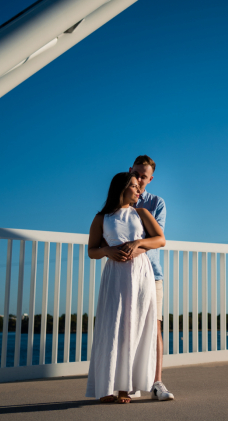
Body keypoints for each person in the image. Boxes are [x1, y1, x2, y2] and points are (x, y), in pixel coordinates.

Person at [85, 172, 165, 404]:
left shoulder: (141, 213)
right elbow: (92, 251)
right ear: (120, 189)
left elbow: (160, 239)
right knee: (113, 327)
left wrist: (138, 242)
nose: (138, 189)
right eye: (133, 186)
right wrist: (107, 251)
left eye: (138, 186)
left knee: (134, 327)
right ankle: (106, 388)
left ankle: (125, 390)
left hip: (140, 276)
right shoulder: (102, 218)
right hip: (115, 276)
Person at [128, 155, 174, 401]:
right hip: (126, 274)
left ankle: (157, 382)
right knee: (129, 326)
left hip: (152, 273)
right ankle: (131, 382)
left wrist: (136, 245)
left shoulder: (156, 202)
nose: (139, 180)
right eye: (136, 174)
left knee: (155, 328)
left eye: (144, 177)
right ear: (130, 171)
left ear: (150, 178)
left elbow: (158, 238)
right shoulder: (118, 203)